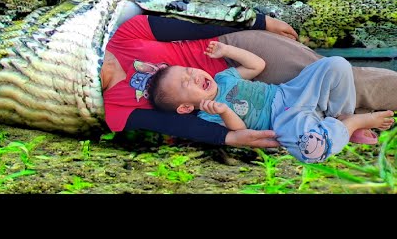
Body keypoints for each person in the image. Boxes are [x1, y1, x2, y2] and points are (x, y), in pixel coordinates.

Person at [100, 13, 397, 149]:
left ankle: (346, 119)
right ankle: (344, 121)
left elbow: (193, 20)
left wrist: (258, 22)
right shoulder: (113, 108)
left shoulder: (124, 34)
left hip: (233, 52)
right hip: (245, 101)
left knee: (343, 77)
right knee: (303, 119)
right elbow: (175, 124)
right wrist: (229, 137)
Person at [146, 40, 395, 163]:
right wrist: (223, 112)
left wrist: (227, 51)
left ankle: (342, 117)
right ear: (186, 107)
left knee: (335, 65)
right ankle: (352, 125)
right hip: (282, 120)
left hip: (288, 93)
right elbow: (241, 131)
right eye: (185, 83)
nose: (194, 76)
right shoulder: (207, 115)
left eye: (190, 71)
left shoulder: (224, 77)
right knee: (312, 151)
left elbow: (257, 65)